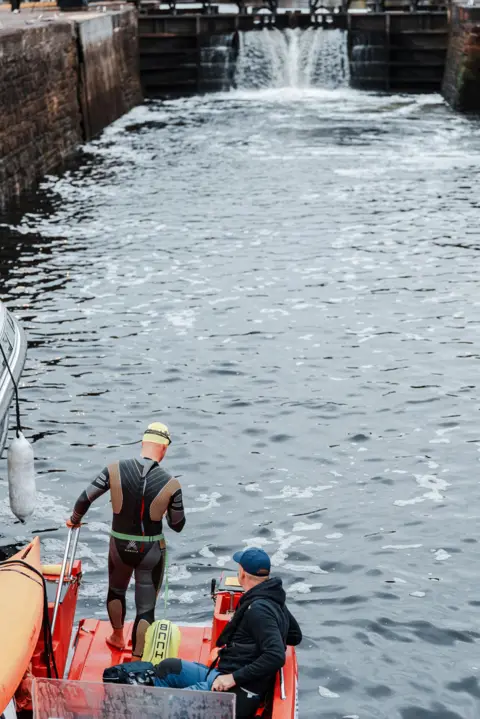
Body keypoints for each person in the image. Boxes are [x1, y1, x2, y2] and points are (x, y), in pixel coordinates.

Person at [67, 422, 185, 658]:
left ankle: (117, 637)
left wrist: (74, 519)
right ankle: (137, 658)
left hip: (119, 545)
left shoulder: (113, 469)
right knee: (146, 606)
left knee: (116, 590)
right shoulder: (171, 484)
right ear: (164, 449)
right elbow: (178, 525)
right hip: (150, 549)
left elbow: (84, 499)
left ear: (143, 443)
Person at [152, 547, 302, 718]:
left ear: (242, 573)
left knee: (164, 707)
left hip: (236, 690)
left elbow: (276, 656)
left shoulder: (258, 610)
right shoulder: (273, 597)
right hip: (223, 672)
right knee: (168, 668)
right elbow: (295, 636)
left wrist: (233, 678)